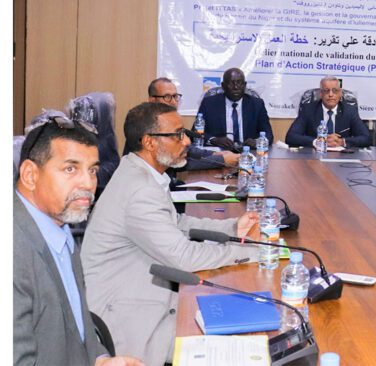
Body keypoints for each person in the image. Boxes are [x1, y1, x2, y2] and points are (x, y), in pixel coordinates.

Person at [81, 102, 260, 365]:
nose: (186, 141)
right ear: (149, 142)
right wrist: (250, 251)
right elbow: (183, 257)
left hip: (146, 297)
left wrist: (232, 228)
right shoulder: (140, 189)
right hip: (131, 321)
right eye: (177, 135)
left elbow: (176, 222)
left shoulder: (141, 171)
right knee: (239, 343)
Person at [14, 116, 143, 366]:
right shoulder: (13, 252)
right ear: (30, 175)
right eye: (70, 169)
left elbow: (78, 323)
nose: (88, 183)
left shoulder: (60, 228)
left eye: (92, 170)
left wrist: (100, 359)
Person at [122, 77, 239, 169]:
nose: (173, 102)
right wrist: (222, 160)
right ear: (152, 100)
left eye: (175, 96)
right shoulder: (144, 120)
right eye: (167, 97)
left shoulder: (166, 121)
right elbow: (178, 163)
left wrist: (213, 154)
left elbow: (187, 149)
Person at [194, 67, 274, 150]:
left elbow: (268, 134)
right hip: (219, 151)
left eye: (240, 83)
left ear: (245, 85)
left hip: (248, 152)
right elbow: (195, 132)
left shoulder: (257, 104)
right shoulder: (209, 103)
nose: (236, 87)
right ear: (223, 86)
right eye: (231, 83)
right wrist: (214, 140)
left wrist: (256, 142)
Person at [285, 75, 371, 148]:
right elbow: (291, 137)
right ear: (321, 94)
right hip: (314, 157)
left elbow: (366, 138)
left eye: (335, 91)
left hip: (342, 157)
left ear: (340, 94)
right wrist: (318, 142)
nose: (330, 95)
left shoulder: (349, 111)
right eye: (326, 91)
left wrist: (342, 141)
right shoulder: (308, 110)